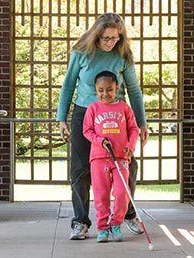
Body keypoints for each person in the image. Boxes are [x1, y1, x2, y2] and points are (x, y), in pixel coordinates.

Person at [56, 13, 149, 240]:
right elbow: (68, 85)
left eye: (115, 38)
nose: (110, 42)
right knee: (80, 170)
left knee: (127, 166)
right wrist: (61, 118)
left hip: (117, 116)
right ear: (96, 35)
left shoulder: (122, 55)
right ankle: (80, 222)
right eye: (106, 38)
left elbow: (134, 91)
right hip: (84, 114)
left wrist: (142, 123)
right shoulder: (81, 53)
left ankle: (127, 214)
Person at [83, 71, 139, 242]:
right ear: (95, 90)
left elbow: (134, 129)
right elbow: (87, 131)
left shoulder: (124, 108)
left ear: (117, 88)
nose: (105, 94)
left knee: (122, 193)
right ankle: (102, 228)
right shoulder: (93, 108)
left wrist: (130, 146)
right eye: (100, 90)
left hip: (121, 157)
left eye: (109, 90)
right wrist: (100, 141)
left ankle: (116, 224)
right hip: (99, 158)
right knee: (101, 195)